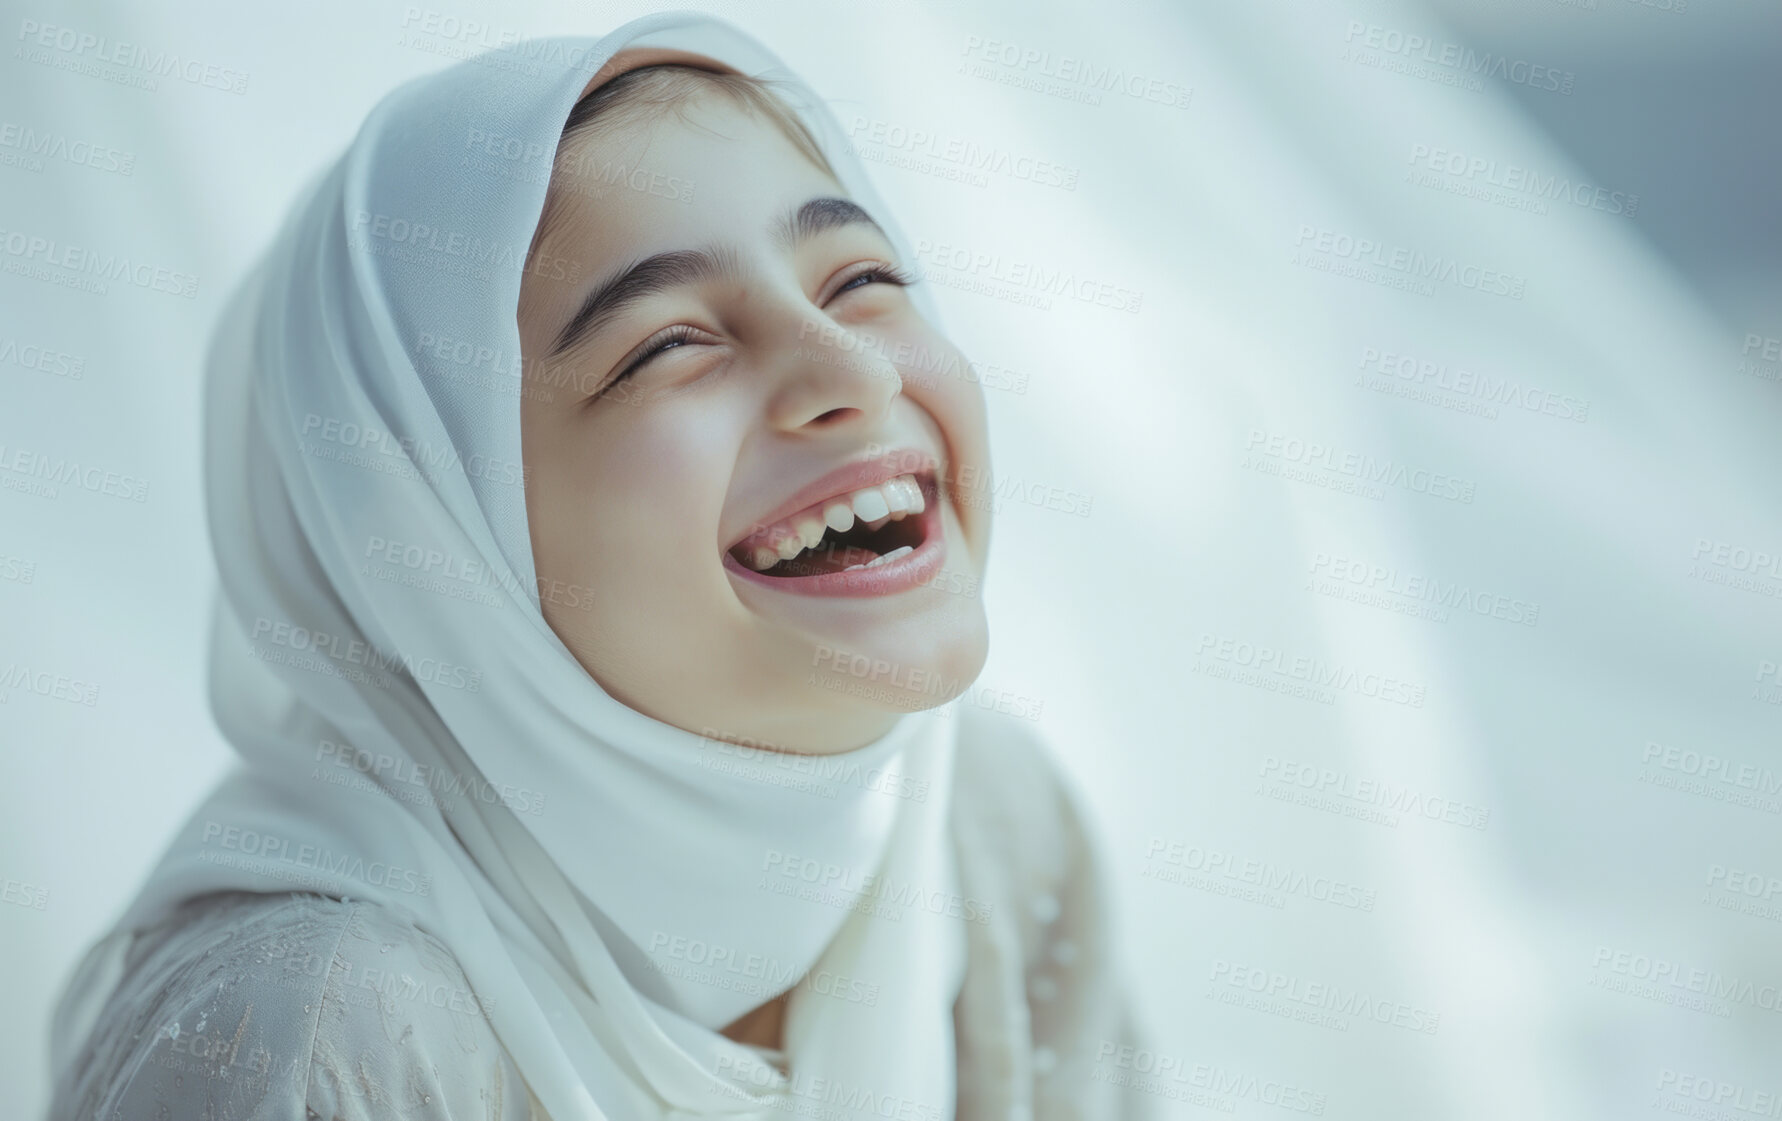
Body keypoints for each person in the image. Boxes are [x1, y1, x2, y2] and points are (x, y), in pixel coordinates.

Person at [43, 12, 1154, 1120]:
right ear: (440, 544)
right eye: (671, 344)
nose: (850, 366)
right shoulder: (324, 1034)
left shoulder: (989, 828)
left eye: (858, 277)